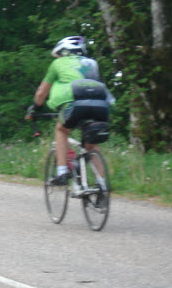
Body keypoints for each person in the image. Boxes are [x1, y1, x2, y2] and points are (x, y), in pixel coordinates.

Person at [30, 35, 112, 185]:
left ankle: (61, 171)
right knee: (91, 145)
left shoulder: (57, 63)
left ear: (64, 52)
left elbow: (41, 93)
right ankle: (102, 184)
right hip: (101, 105)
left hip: (75, 104)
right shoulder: (92, 63)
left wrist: (35, 109)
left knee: (61, 130)